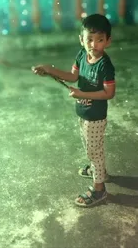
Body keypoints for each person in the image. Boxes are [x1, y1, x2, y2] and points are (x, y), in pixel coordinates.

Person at [32, 14, 115, 208]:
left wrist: (81, 93)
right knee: (90, 147)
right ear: (81, 39)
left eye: (100, 40)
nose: (93, 45)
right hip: (83, 112)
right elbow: (71, 76)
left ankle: (99, 189)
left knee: (94, 150)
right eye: (89, 39)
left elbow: (109, 92)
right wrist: (49, 70)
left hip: (95, 116)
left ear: (108, 41)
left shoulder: (105, 65)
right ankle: (99, 170)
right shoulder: (81, 55)